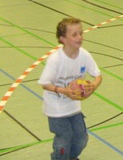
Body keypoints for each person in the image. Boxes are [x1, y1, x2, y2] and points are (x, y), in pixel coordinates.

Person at [38, 17, 102, 160]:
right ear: (63, 39)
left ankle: (71, 157)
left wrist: (93, 86)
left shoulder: (84, 55)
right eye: (74, 35)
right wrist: (64, 91)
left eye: (81, 33)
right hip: (55, 108)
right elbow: (44, 83)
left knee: (81, 139)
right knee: (64, 139)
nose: (79, 37)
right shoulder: (56, 59)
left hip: (73, 107)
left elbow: (98, 75)